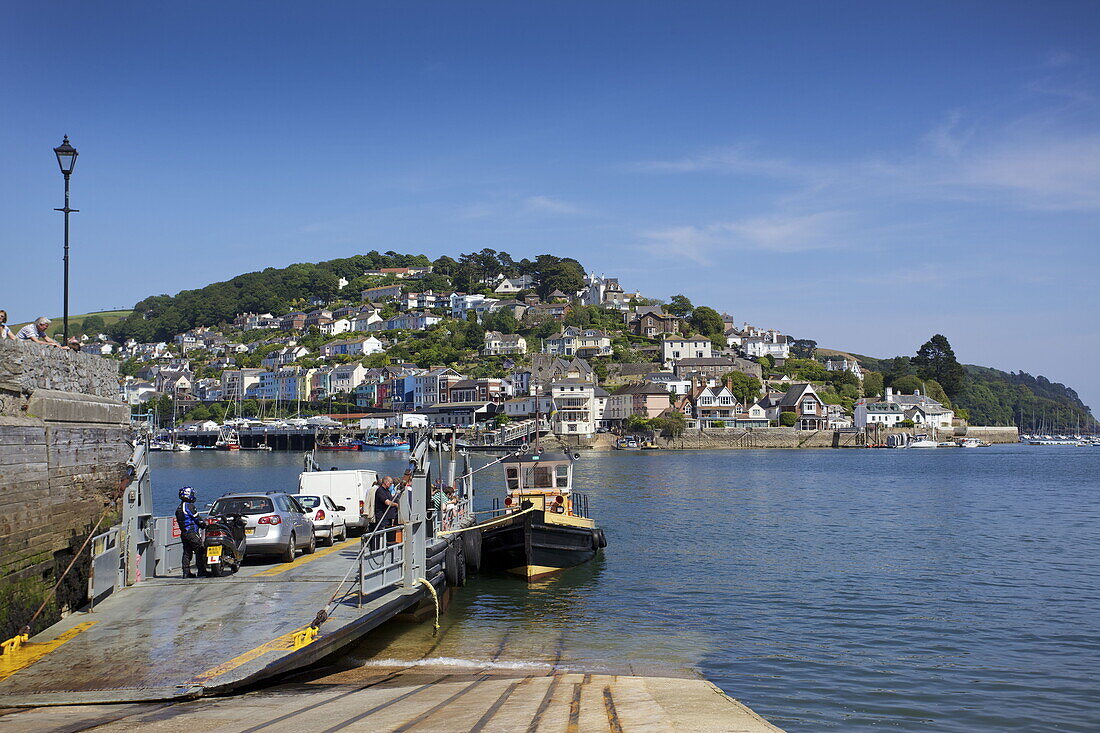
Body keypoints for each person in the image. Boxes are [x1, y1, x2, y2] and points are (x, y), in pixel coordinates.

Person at [175, 486, 208, 578]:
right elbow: (197, 519)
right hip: (191, 532)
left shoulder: (179, 507)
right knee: (200, 549)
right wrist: (204, 525)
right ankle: (201, 570)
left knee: (187, 552)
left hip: (184, 533)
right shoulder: (189, 506)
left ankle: (186, 572)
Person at [371, 476, 401, 549]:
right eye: (390, 483)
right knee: (380, 533)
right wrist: (396, 505)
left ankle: (385, 547)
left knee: (388, 534)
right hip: (382, 517)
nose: (391, 485)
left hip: (388, 517)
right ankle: (377, 548)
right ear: (386, 482)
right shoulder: (380, 491)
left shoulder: (387, 491)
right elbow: (387, 502)